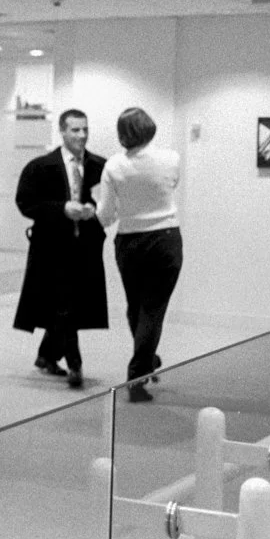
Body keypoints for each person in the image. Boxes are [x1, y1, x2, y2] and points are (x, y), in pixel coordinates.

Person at [14, 109, 108, 389]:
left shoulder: (100, 167)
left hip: (85, 247)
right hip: (52, 248)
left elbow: (111, 202)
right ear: (62, 131)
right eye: (75, 130)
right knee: (64, 303)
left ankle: (46, 355)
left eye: (85, 129)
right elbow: (26, 203)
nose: (82, 135)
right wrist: (62, 209)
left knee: (70, 304)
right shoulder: (41, 167)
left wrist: (94, 210)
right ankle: (75, 364)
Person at [95, 107, 183, 402]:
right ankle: (139, 373)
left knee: (136, 308)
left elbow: (106, 214)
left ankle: (145, 362)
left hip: (129, 242)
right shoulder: (171, 159)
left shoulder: (114, 165)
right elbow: (170, 185)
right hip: (165, 239)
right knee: (153, 309)